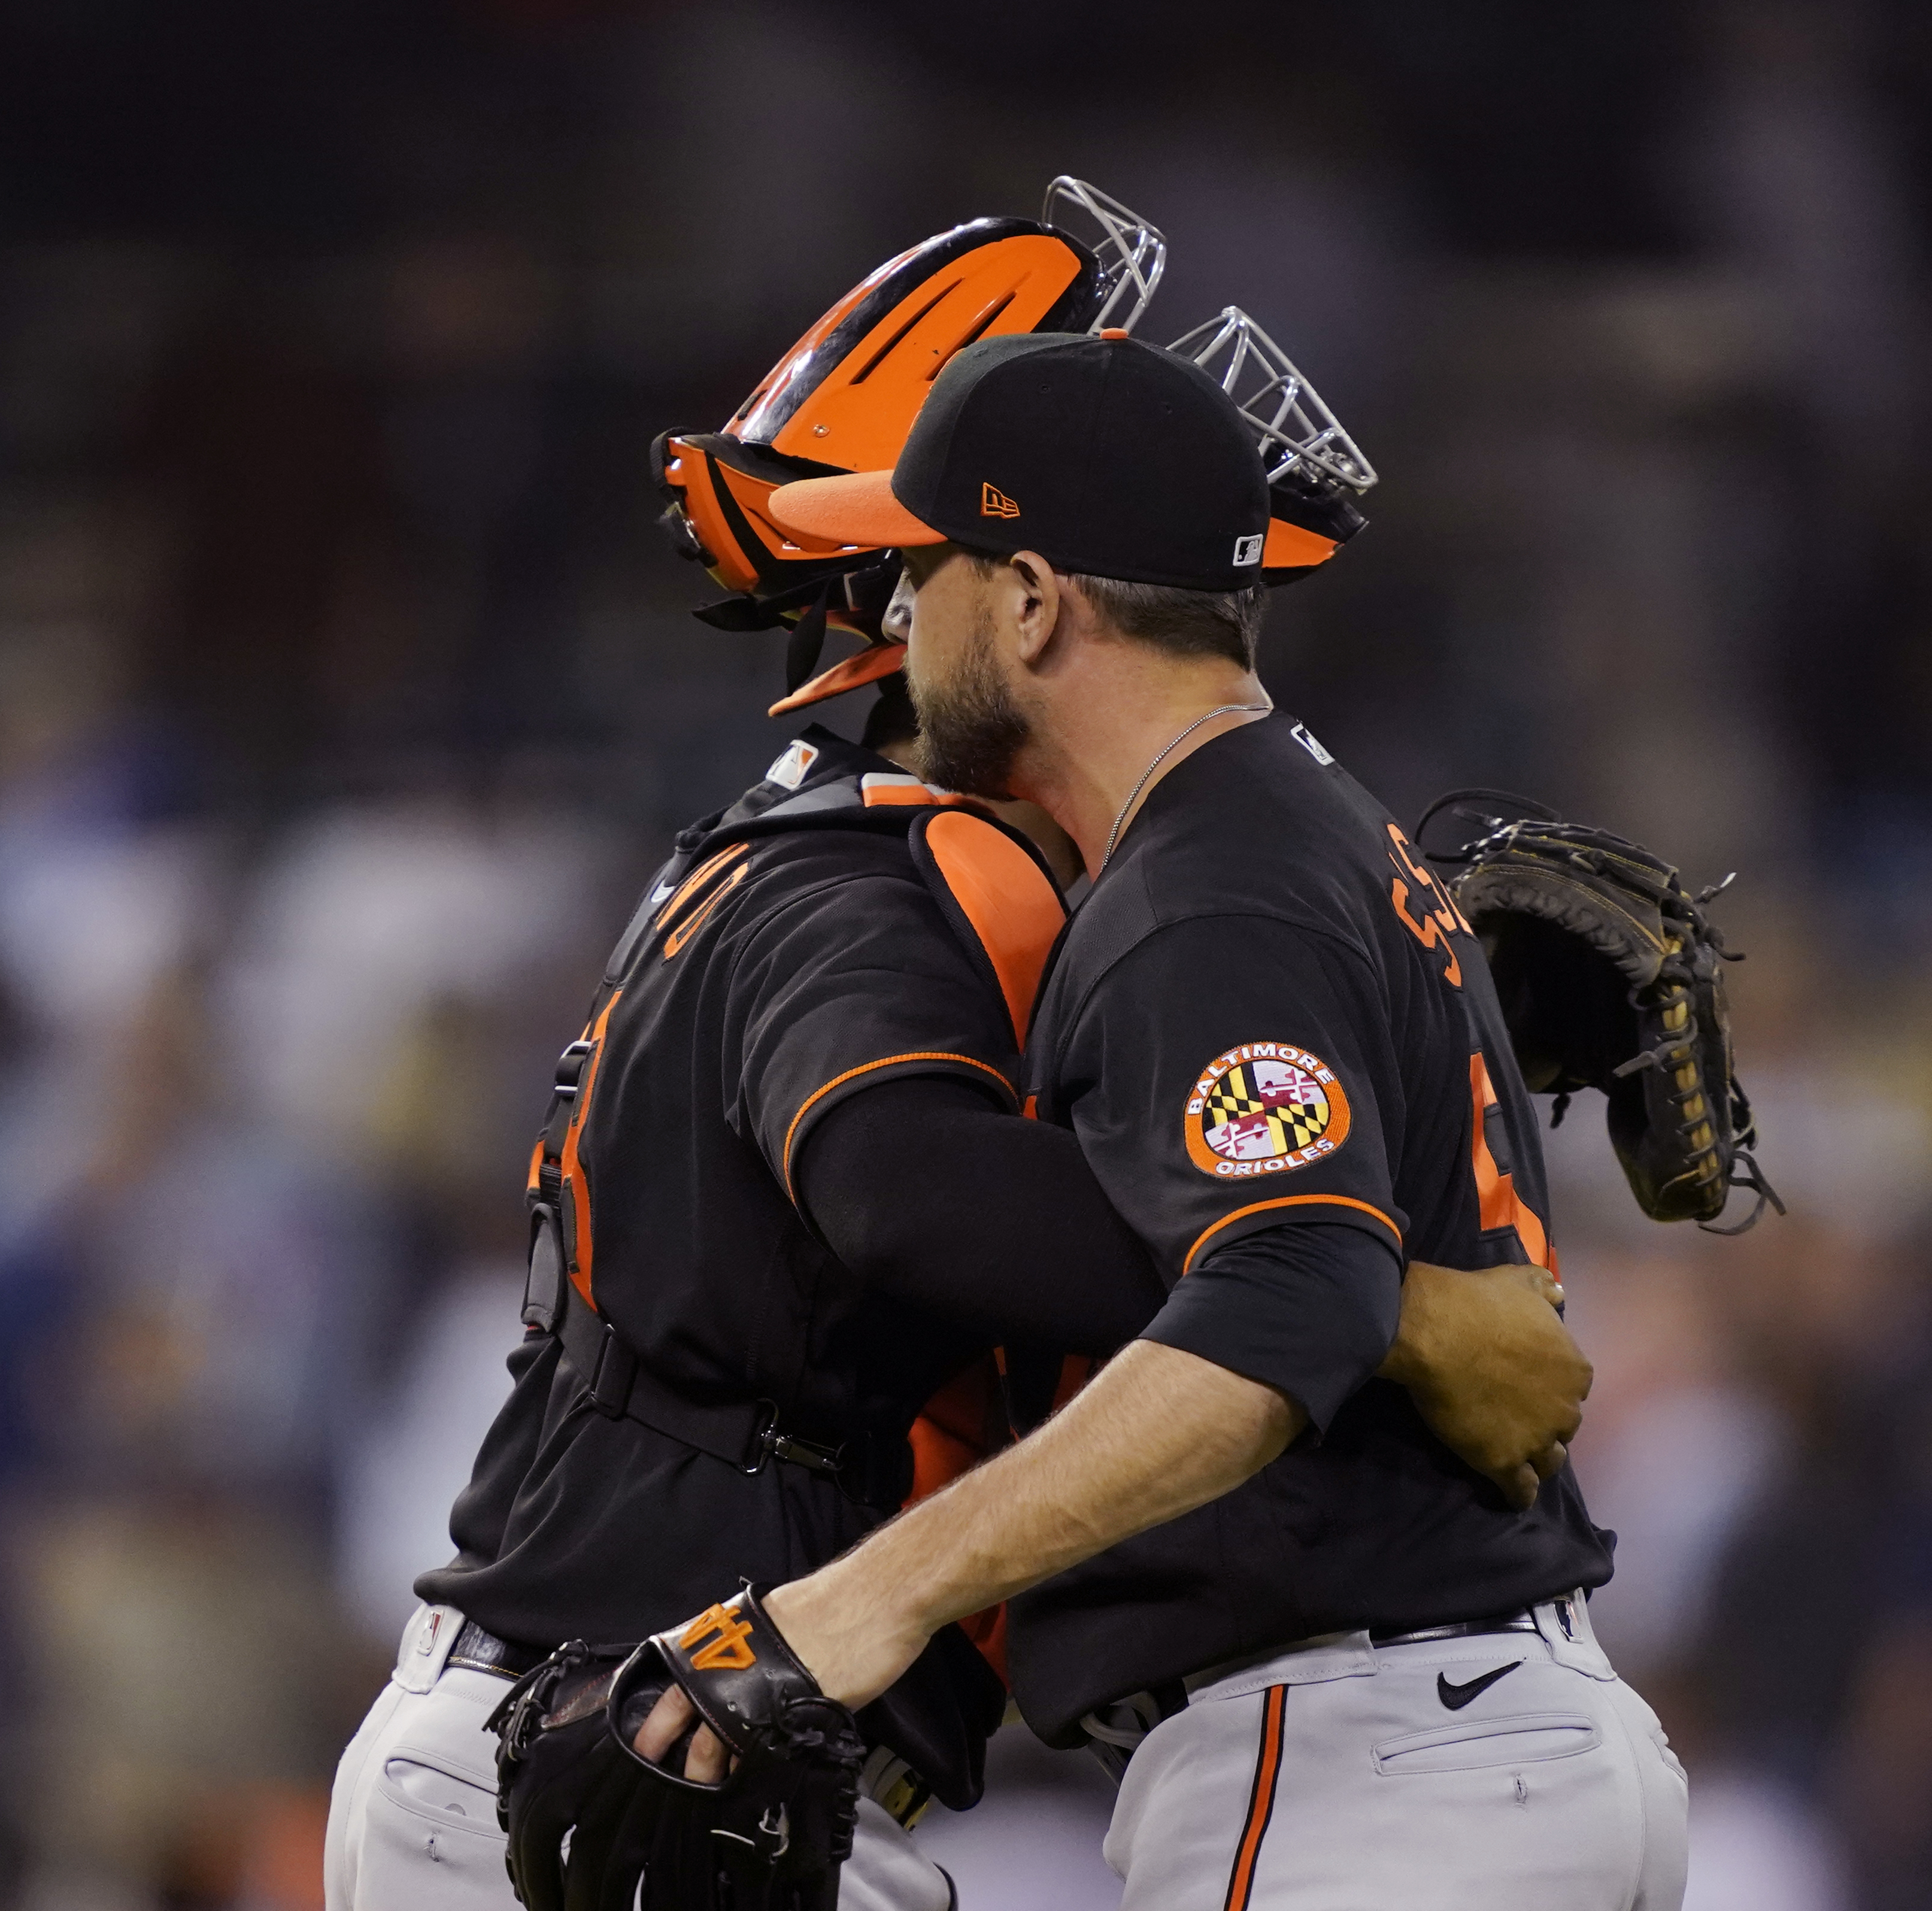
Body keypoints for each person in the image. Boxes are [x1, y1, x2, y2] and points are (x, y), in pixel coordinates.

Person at [325, 208, 1593, 1911]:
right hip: (620, 1740)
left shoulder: (936, 861)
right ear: (983, 599)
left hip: (663, 1738)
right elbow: (904, 1193)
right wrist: (1381, 1290)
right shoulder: (876, 878)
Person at [644, 328, 1688, 1910]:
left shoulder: (1205, 893)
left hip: (1360, 1758)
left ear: (1034, 599)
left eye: (926, 569)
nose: (901, 618)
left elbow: (1277, 1317)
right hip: (1476, 1738)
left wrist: (865, 1602)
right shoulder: (1312, 832)